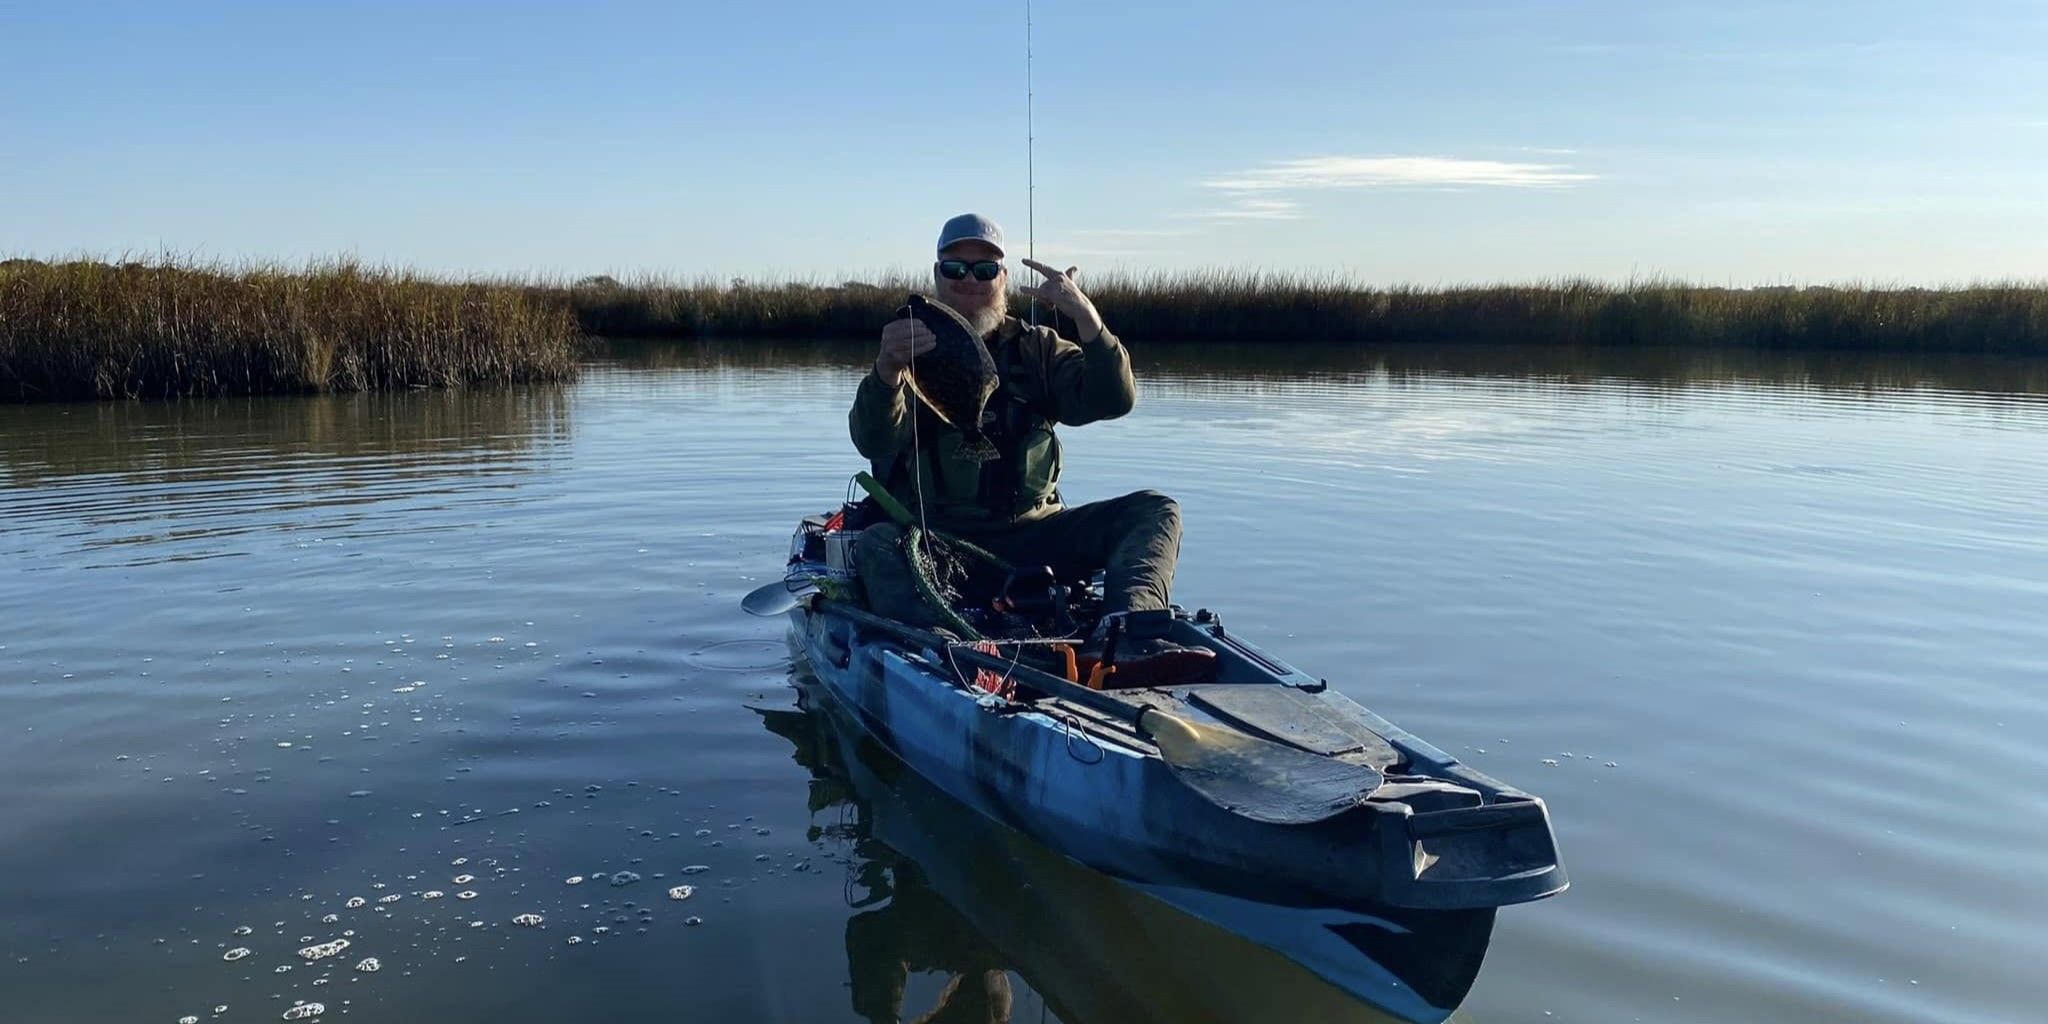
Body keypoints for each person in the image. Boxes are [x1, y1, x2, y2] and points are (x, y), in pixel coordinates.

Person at [848, 213, 1214, 684]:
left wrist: (1087, 319)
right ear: (937, 276)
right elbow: (872, 440)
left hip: (1035, 539)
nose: (970, 281)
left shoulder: (1038, 349)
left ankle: (1129, 637)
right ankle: (947, 651)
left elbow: (1114, 399)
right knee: (876, 544)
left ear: (1003, 278)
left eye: (984, 270)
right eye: (956, 269)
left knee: (1155, 511)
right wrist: (887, 371)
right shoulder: (906, 346)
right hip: (936, 542)